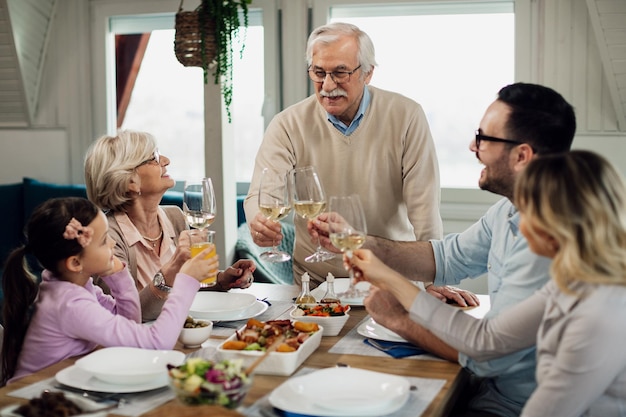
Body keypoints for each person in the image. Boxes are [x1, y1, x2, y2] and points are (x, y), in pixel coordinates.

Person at [314, 82, 577, 416]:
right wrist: (357, 241)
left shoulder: (547, 240)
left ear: (522, 156)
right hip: (490, 392)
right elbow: (445, 258)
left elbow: (486, 355)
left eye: (483, 138)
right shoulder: (509, 211)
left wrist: (400, 319)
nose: (472, 145)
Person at [348, 150, 626, 417]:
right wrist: (387, 276)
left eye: (526, 208)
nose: (515, 217)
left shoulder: (599, 319)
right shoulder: (575, 282)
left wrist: (397, 305)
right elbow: (484, 340)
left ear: (557, 227)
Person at [244, 22, 445, 288]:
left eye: (340, 73)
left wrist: (435, 282)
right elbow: (261, 195)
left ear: (368, 73)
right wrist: (260, 223)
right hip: (317, 281)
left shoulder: (407, 116)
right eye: (318, 72)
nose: (327, 85)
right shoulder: (287, 124)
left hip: (392, 276)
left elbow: (425, 211)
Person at [1, 197, 216, 385]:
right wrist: (187, 280)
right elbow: (157, 343)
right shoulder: (70, 305)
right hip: (30, 397)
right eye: (104, 240)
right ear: (75, 262)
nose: (113, 243)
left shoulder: (74, 286)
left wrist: (119, 276)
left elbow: (131, 323)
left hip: (59, 388)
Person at [84, 130, 255, 321]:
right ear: (129, 180)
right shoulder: (107, 238)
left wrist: (221, 280)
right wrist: (174, 266)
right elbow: (124, 315)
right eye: (153, 158)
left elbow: (184, 286)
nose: (165, 160)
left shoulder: (175, 216)